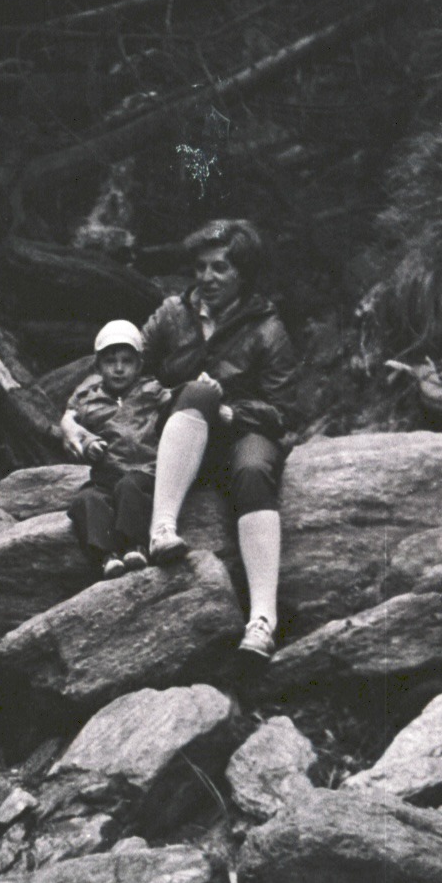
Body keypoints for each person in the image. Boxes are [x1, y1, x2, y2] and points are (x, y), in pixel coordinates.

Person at [141, 219, 296, 660]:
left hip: (242, 433)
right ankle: (162, 529)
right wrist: (173, 395)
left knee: (252, 471)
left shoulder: (269, 328)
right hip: (179, 432)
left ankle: (262, 622)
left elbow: (285, 412)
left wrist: (231, 410)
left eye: (220, 269)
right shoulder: (172, 313)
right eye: (201, 267)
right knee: (197, 391)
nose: (206, 278)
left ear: (243, 273)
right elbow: (132, 371)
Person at [60, 319, 171, 578]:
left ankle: (136, 546)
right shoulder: (88, 401)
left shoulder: (152, 391)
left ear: (140, 365)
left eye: (127, 361)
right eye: (111, 362)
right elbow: (72, 430)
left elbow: (178, 407)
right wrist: (88, 444)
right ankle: (106, 556)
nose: (119, 369)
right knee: (86, 499)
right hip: (106, 475)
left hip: (146, 471)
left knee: (130, 488)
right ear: (98, 366)